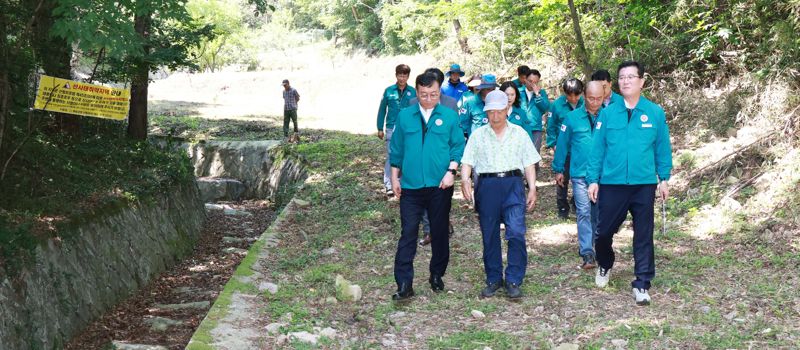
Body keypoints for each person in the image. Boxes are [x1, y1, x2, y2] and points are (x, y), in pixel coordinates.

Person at [587, 61, 672, 306]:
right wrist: (593, 180)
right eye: (622, 77)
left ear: (642, 81)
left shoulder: (654, 112)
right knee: (603, 233)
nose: (625, 81)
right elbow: (598, 149)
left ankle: (642, 282)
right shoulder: (608, 112)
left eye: (631, 77)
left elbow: (662, 148)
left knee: (643, 234)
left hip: (643, 183)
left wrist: (663, 178)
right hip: (612, 183)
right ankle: (605, 263)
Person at [389, 71, 466, 301]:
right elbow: (397, 150)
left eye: (433, 94)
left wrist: (452, 171)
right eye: (424, 95)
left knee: (439, 231)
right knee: (408, 232)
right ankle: (404, 283)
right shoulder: (405, 116)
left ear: (439, 92)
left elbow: (457, 146)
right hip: (411, 186)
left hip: (440, 185)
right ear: (417, 92)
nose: (429, 99)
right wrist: (394, 178)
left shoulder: (449, 116)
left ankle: (436, 274)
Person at [460, 90, 539, 299]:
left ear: (507, 110)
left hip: (513, 184)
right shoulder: (478, 135)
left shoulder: (519, 133)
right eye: (491, 112)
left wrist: (532, 187)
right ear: (486, 112)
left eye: (499, 111)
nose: (495, 116)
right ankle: (493, 278)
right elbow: (467, 161)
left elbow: (529, 162)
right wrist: (465, 180)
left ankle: (513, 278)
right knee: (489, 234)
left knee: (516, 232)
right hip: (487, 186)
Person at [552, 81, 605, 270]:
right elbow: (563, 144)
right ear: (585, 96)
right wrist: (559, 169)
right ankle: (587, 252)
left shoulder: (609, 117)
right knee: (583, 211)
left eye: (599, 98)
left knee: (599, 213)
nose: (595, 102)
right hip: (580, 174)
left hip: (603, 175)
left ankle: (599, 246)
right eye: (591, 98)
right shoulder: (572, 118)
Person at [409, 67, 458, 246]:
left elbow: (455, 135)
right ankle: (430, 231)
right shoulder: (413, 102)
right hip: (419, 160)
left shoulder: (451, 103)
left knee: (441, 197)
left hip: (442, 160)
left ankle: (442, 224)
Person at [546, 78, 584, 219]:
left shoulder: (586, 104)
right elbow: (550, 127)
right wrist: (554, 144)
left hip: (580, 150)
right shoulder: (556, 105)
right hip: (563, 149)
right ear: (565, 93)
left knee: (579, 178)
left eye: (576, 95)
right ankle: (562, 207)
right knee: (562, 178)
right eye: (570, 95)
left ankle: (576, 204)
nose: (573, 98)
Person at [377, 64, 416, 197]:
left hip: (408, 128)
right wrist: (379, 127)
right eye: (400, 75)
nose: (402, 78)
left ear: (408, 76)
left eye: (404, 75)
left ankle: (402, 182)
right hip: (391, 127)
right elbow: (382, 109)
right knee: (391, 154)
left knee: (406, 154)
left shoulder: (413, 92)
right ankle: (388, 184)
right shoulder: (389, 91)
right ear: (396, 75)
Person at [519, 69, 550, 171]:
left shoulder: (542, 93)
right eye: (530, 81)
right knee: (520, 153)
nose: (532, 84)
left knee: (534, 154)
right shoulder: (518, 92)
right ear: (525, 80)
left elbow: (545, 108)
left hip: (535, 128)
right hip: (520, 127)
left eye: (535, 82)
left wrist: (538, 95)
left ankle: (532, 180)